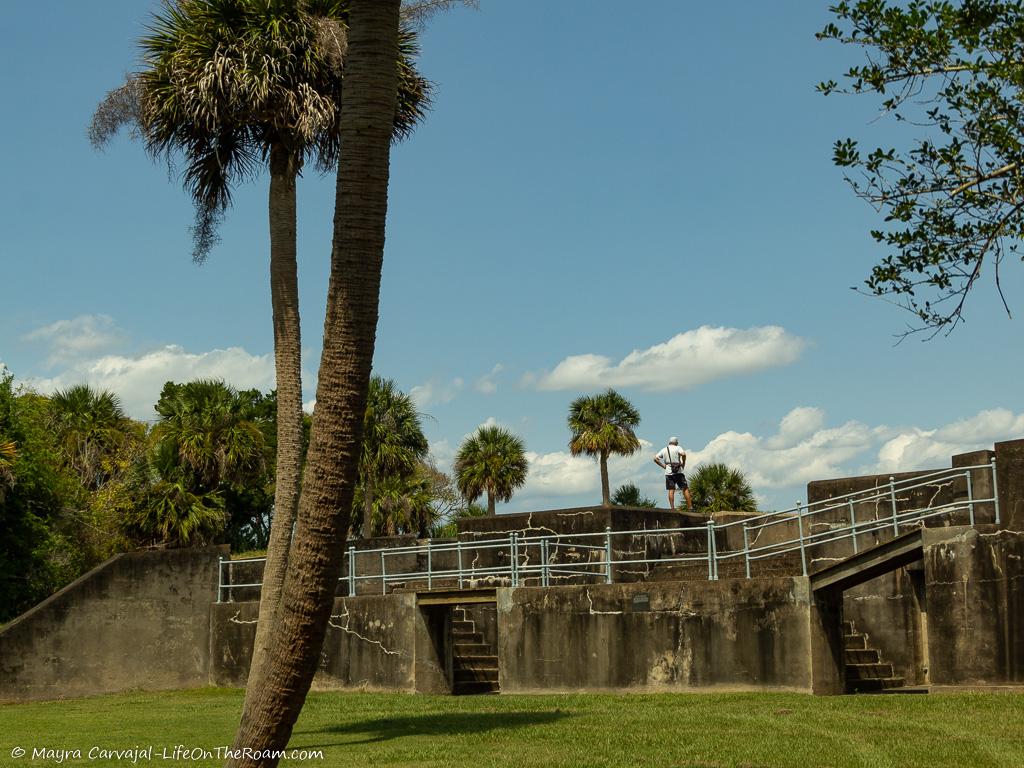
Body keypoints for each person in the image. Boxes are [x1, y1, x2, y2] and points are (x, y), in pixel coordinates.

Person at [654, 437, 693, 512]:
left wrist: (663, 466)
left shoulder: (664, 449)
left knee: (671, 490)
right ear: (676, 443)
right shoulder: (678, 448)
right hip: (678, 471)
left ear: (669, 442)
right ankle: (690, 507)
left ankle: (672, 508)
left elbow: (655, 459)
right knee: (685, 488)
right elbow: (683, 454)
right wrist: (683, 463)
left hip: (668, 472)